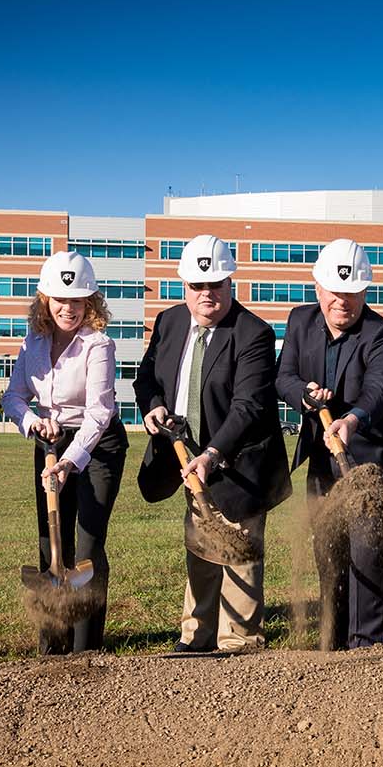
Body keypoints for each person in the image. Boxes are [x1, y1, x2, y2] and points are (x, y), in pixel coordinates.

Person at [134, 234, 291, 654]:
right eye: (197, 286)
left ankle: (239, 639)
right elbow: (147, 378)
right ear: (184, 286)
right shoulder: (169, 323)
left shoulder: (253, 333)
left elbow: (249, 406)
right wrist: (152, 407)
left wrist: (212, 454)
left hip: (237, 459)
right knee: (200, 543)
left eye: (216, 285)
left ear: (230, 284)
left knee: (239, 548)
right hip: (186, 455)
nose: (207, 294)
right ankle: (197, 634)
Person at [276, 238, 383, 649]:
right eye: (335, 293)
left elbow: (382, 388)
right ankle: (332, 641)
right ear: (318, 289)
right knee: (329, 549)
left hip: (371, 460)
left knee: (367, 548)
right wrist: (304, 393)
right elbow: (283, 377)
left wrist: (352, 419)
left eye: (353, 294)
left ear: (365, 292)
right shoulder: (300, 321)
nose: (343, 302)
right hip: (322, 458)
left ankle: (367, 643)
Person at [3, 249, 128, 654]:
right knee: (51, 543)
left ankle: (85, 646)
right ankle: (52, 642)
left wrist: (72, 460)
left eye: (78, 300)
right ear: (46, 300)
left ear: (90, 301)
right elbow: (14, 397)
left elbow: (99, 412)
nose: (69, 308)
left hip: (97, 446)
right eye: (61, 299)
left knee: (88, 545)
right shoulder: (33, 341)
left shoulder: (99, 344)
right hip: (50, 443)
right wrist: (33, 423)